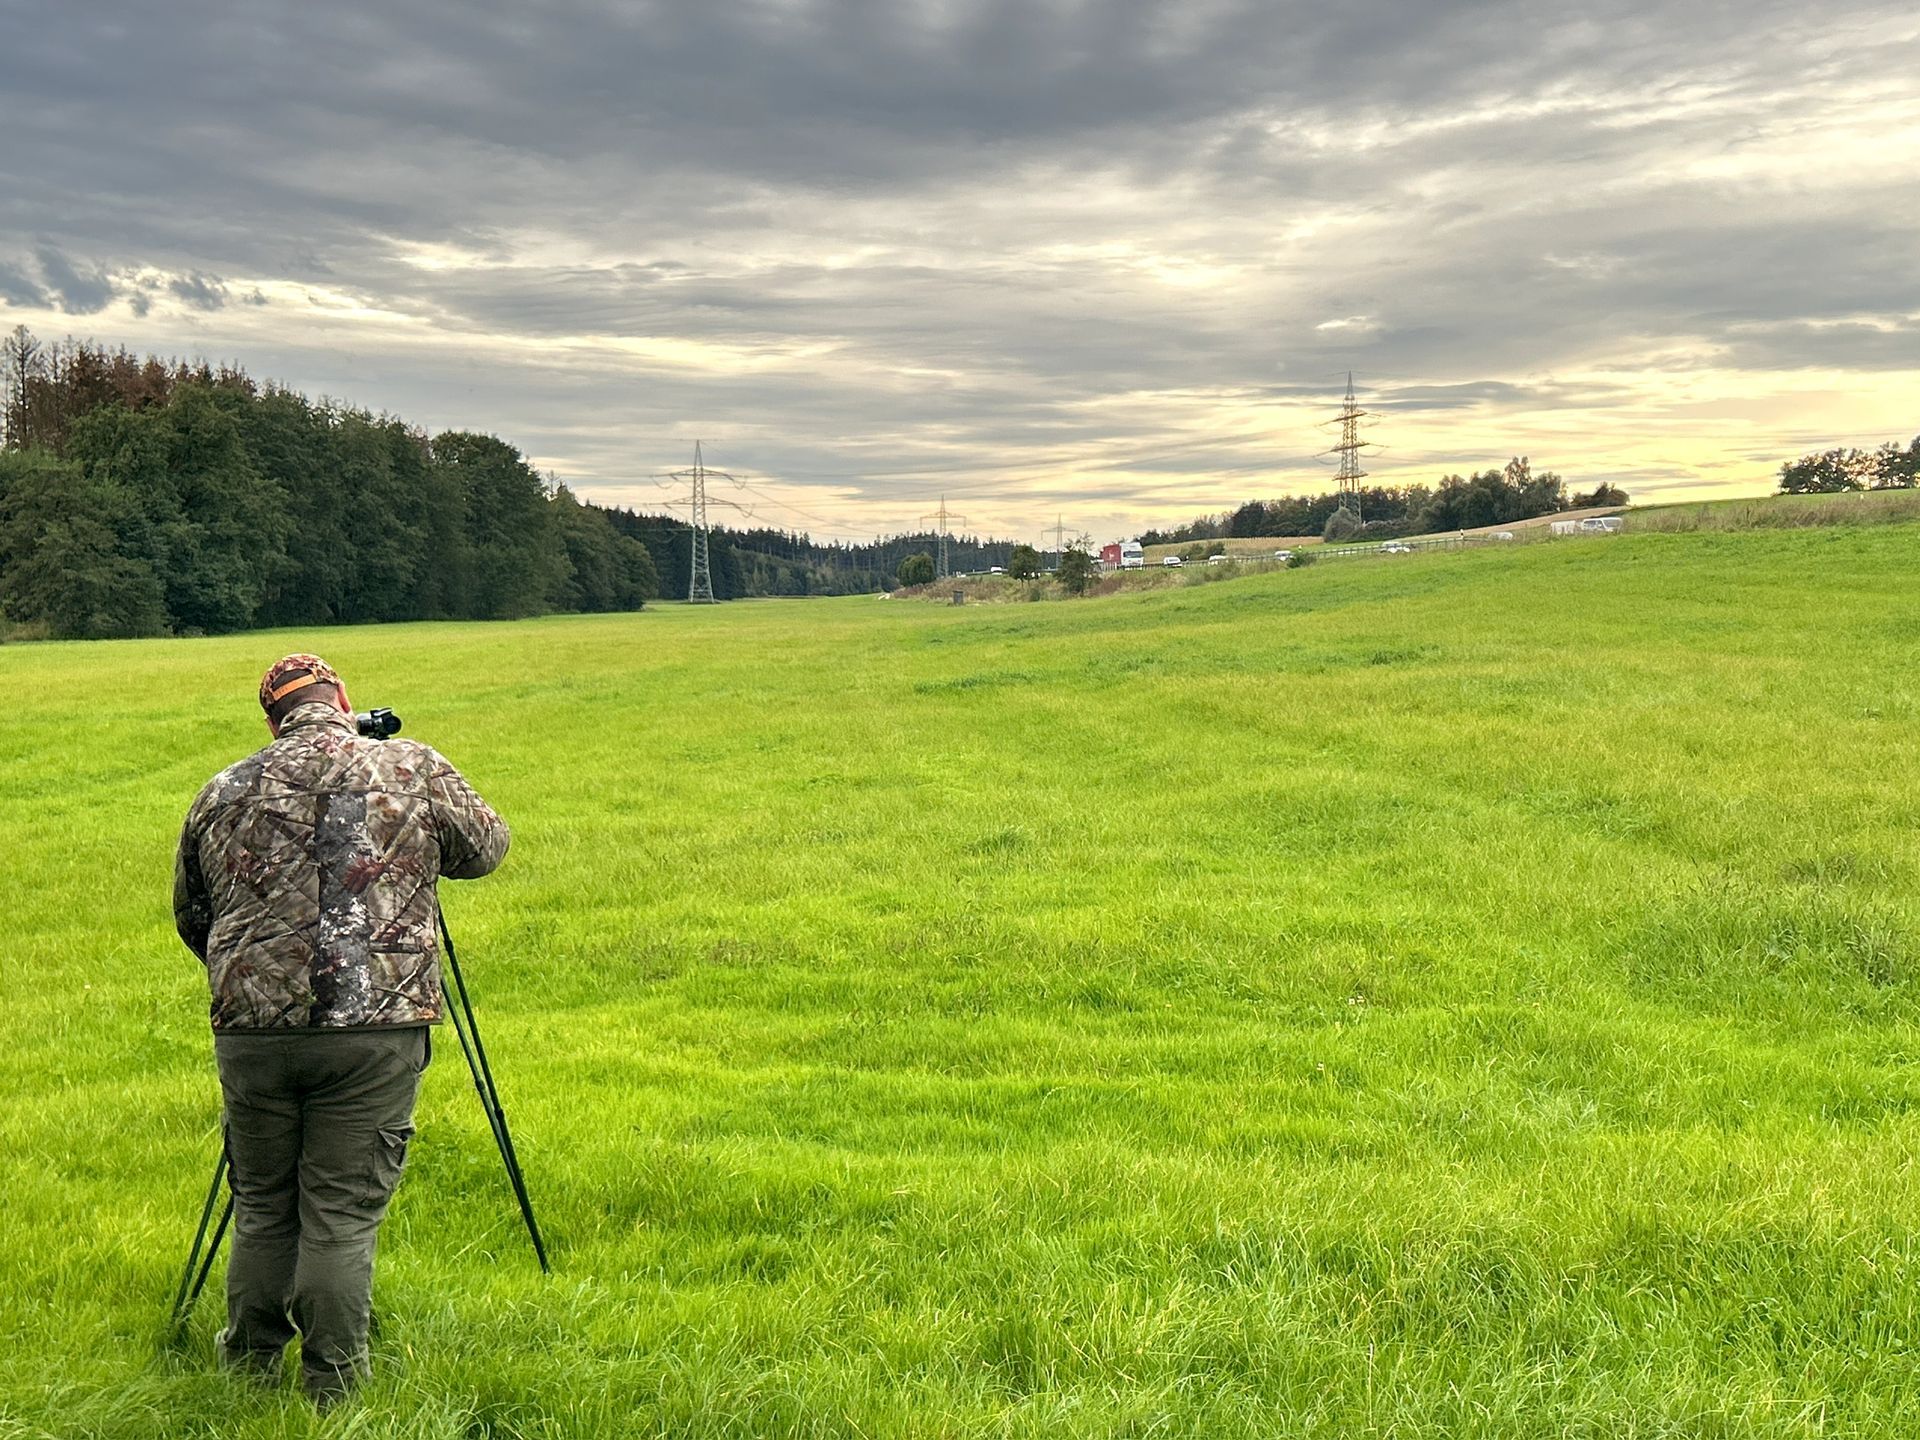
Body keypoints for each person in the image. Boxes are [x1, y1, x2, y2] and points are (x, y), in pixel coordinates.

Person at [173, 654, 509, 1406]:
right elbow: (486, 848)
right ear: (343, 700)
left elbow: (194, 915)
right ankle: (332, 1389)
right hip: (375, 1028)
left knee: (263, 1205)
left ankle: (248, 1376)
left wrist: (258, 980)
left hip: (253, 1030)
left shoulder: (222, 789)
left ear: (272, 720)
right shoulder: (410, 765)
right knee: (341, 1214)